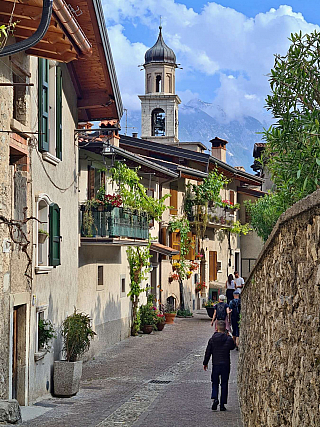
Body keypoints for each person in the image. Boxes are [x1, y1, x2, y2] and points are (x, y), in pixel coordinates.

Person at [203, 320, 236, 411]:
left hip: (216, 364)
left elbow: (208, 352)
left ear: (216, 328)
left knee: (215, 382)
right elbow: (233, 347)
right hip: (225, 364)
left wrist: (205, 363)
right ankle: (222, 405)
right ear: (225, 328)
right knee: (224, 384)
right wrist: (229, 336)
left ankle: (215, 398)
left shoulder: (212, 339)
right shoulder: (228, 339)